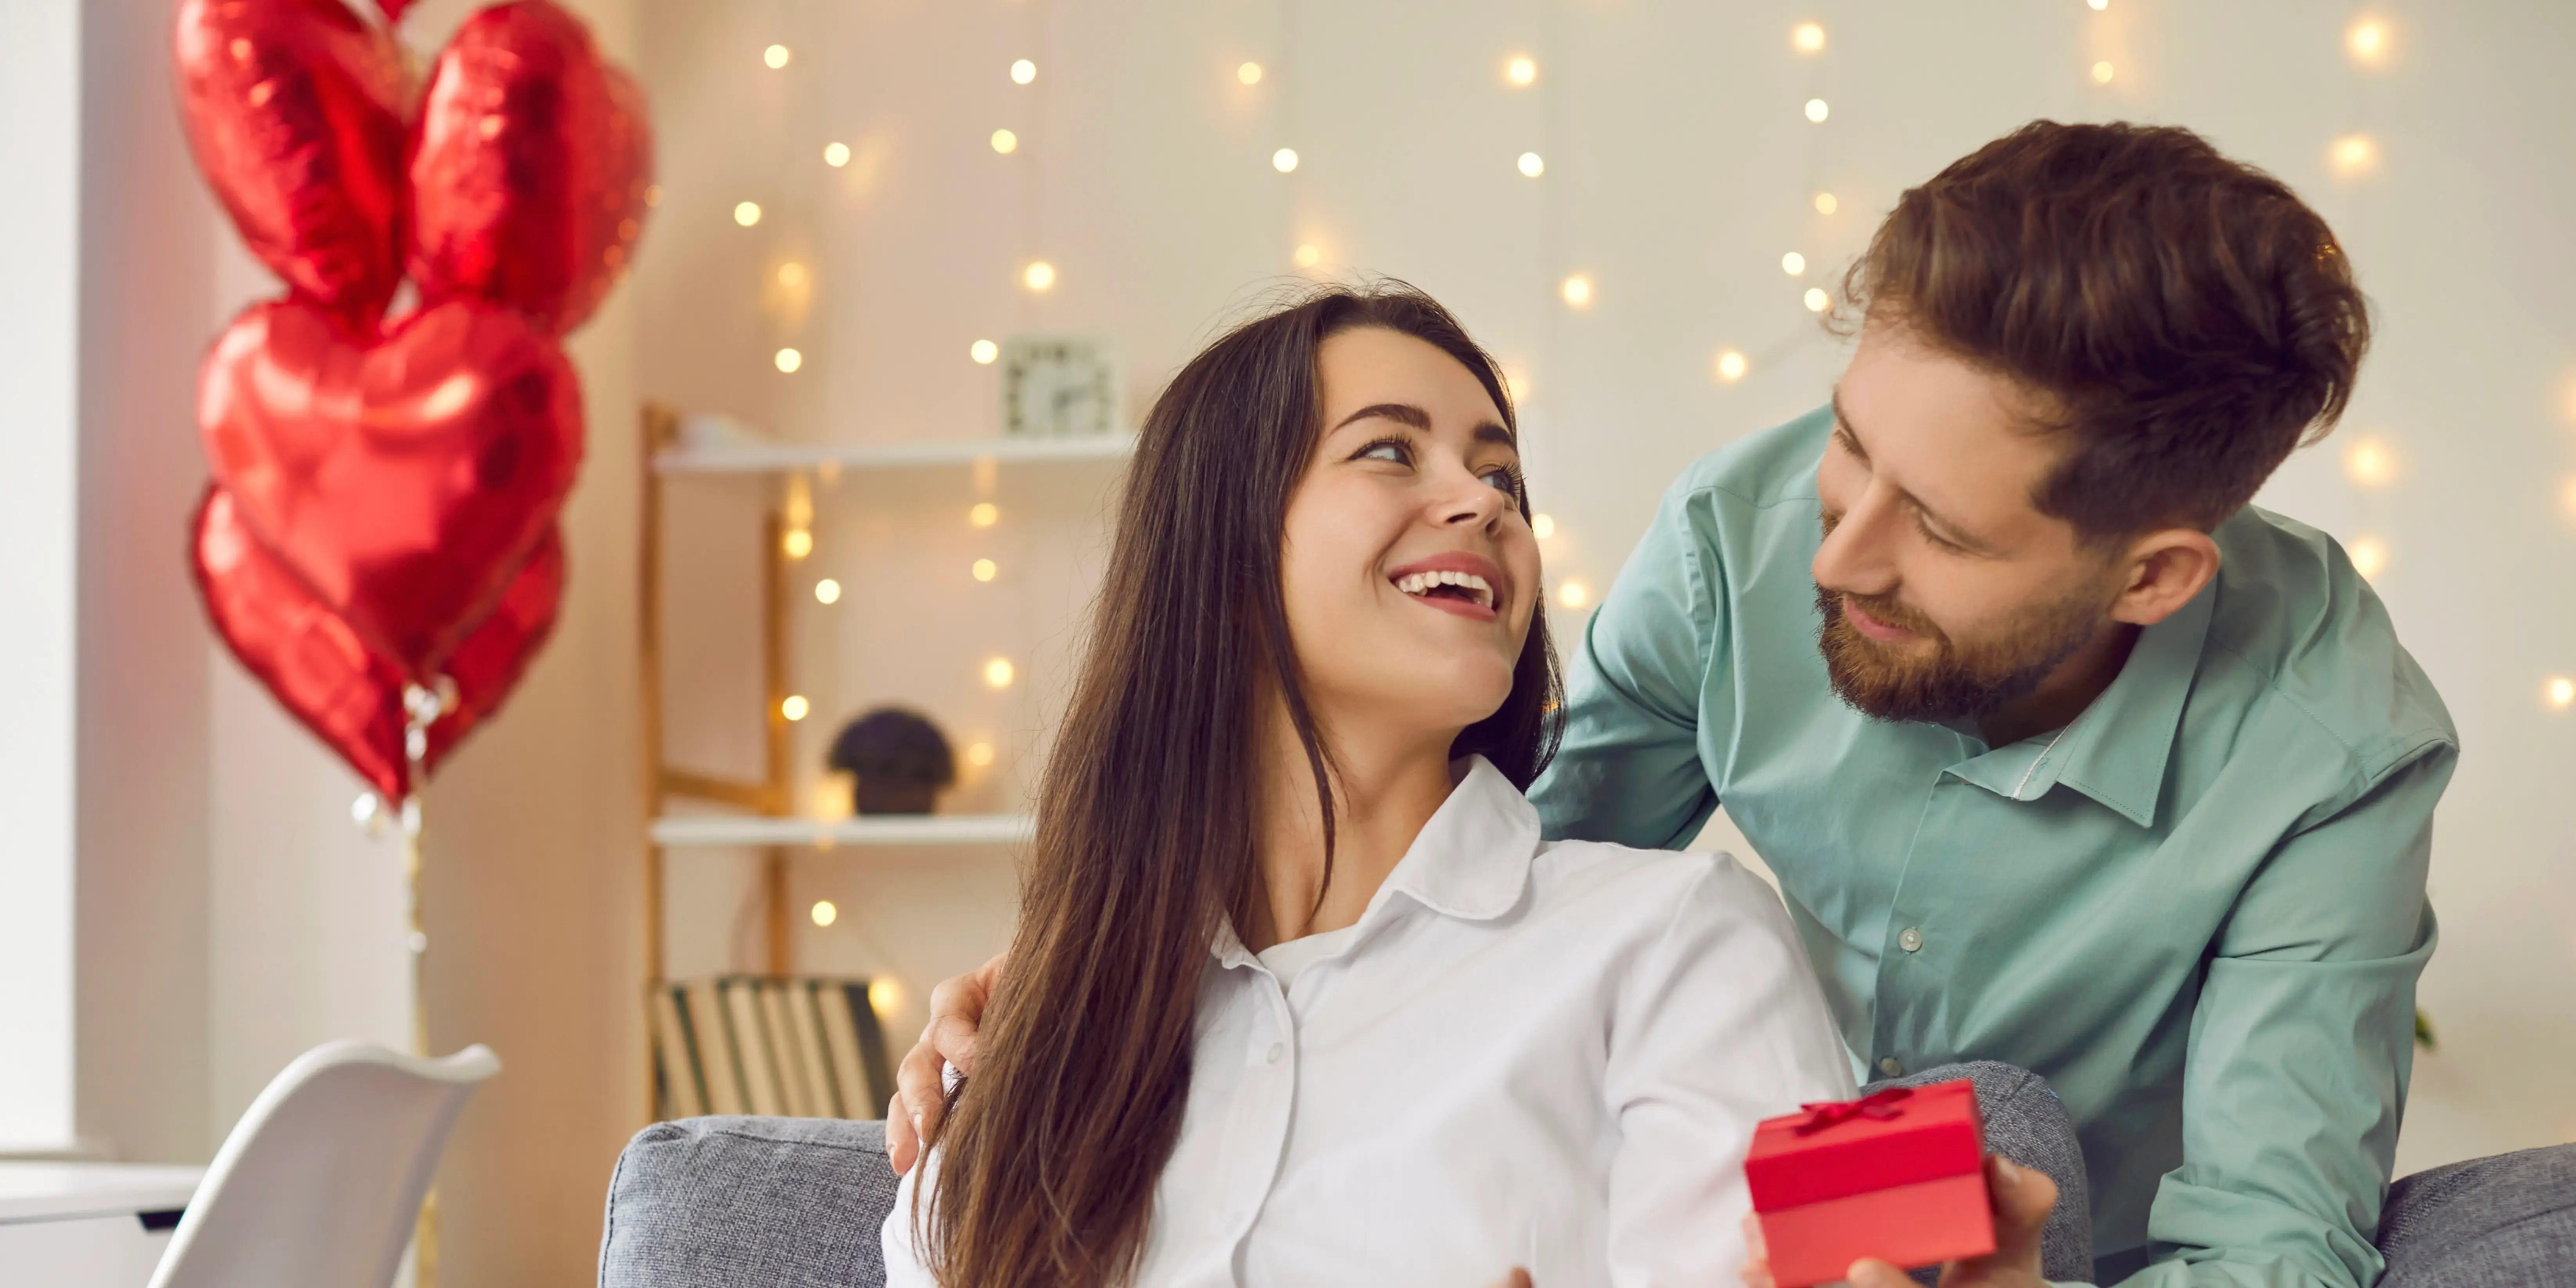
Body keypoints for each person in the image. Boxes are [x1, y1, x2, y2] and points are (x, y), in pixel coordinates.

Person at [892, 123, 2455, 1288]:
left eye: (1943, 529)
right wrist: (1104, 970)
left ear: (2150, 577)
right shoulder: (1744, 536)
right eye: (1849, 448)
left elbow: (2272, 1249)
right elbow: (1458, 912)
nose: (1834, 551)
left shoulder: (2330, 746)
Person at [879, 283, 2037, 1288]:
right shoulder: (1034, 1040)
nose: (1485, 502)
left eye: (1500, 474)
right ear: (1220, 547)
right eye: (1389, 450)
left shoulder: (1669, 943)